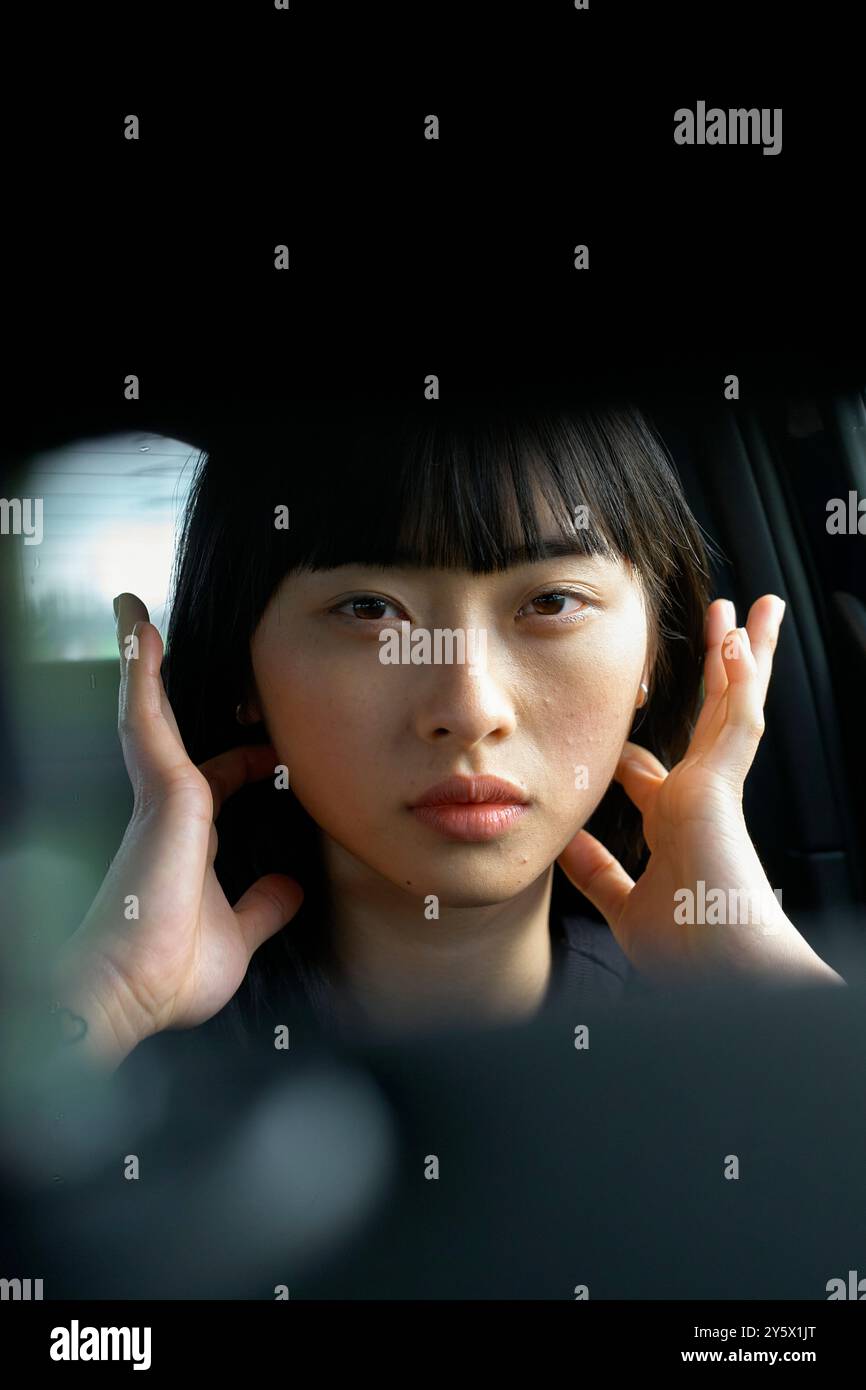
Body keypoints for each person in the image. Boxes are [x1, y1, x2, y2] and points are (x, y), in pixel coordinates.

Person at [48, 389, 845, 1072]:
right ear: (245, 671)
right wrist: (114, 993)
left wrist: (763, 982)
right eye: (369, 610)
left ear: (650, 658)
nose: (469, 710)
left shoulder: (731, 1040)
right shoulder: (132, 1062)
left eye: (552, 603)